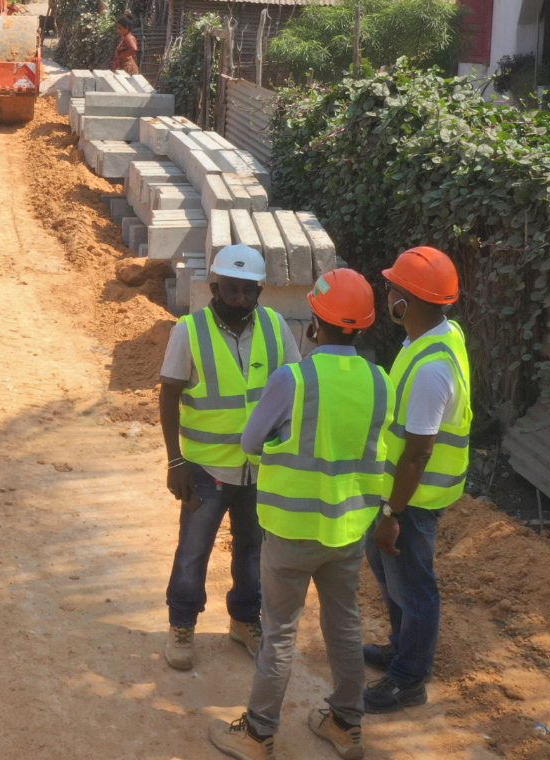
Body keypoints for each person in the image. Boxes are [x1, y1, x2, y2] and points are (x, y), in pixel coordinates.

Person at [210, 269, 393, 760]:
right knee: (345, 626)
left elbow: (251, 443)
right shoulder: (380, 381)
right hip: (349, 529)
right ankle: (345, 724)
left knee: (280, 633)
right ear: (363, 326)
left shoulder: (293, 378)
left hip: (291, 531)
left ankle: (258, 734)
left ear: (315, 323)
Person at [157, 245, 297, 671]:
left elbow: (295, 386)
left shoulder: (275, 327)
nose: (239, 299)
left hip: (261, 469)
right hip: (205, 468)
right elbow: (169, 394)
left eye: (247, 292)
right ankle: (182, 624)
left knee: (253, 550)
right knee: (193, 550)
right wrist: (175, 461)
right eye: (231, 290)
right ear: (215, 288)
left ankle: (243, 619)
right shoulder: (189, 331)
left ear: (259, 292)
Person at [363, 247, 470, 714]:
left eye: (393, 288)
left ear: (407, 302)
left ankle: (408, 680)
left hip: (413, 499)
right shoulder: (434, 336)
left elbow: (419, 452)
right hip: (398, 492)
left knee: (413, 585)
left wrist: (393, 513)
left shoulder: (431, 370)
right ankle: (401, 647)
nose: (386, 293)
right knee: (389, 569)